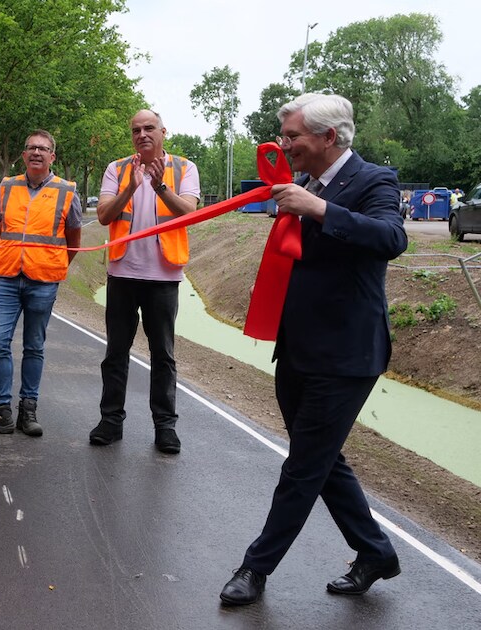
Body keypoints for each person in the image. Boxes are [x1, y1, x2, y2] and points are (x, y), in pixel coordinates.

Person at [219, 93, 406, 606]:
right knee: (320, 459)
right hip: (297, 347)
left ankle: (255, 568)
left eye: (292, 136)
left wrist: (319, 209)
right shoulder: (299, 185)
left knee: (303, 466)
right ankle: (376, 553)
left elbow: (391, 238)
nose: (284, 145)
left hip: (346, 355)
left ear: (328, 137)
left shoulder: (373, 181)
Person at [88, 110, 200, 454]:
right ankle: (111, 421)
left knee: (163, 354)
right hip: (122, 273)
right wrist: (130, 188)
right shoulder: (117, 169)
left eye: (149, 128)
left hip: (163, 276)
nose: (142, 134)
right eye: (136, 129)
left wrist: (159, 186)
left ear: (164, 131)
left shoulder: (185, 168)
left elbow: (190, 213)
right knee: (115, 353)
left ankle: (165, 427)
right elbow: (104, 215)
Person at [0, 130, 83, 438]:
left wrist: (55, 265)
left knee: (34, 346)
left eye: (43, 149)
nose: (36, 152)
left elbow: (73, 239)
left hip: (43, 281)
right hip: (6, 277)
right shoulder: (7, 187)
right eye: (31, 147)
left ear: (52, 157)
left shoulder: (67, 191)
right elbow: (3, 228)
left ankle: (28, 410)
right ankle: (2, 411)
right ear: (23, 155)